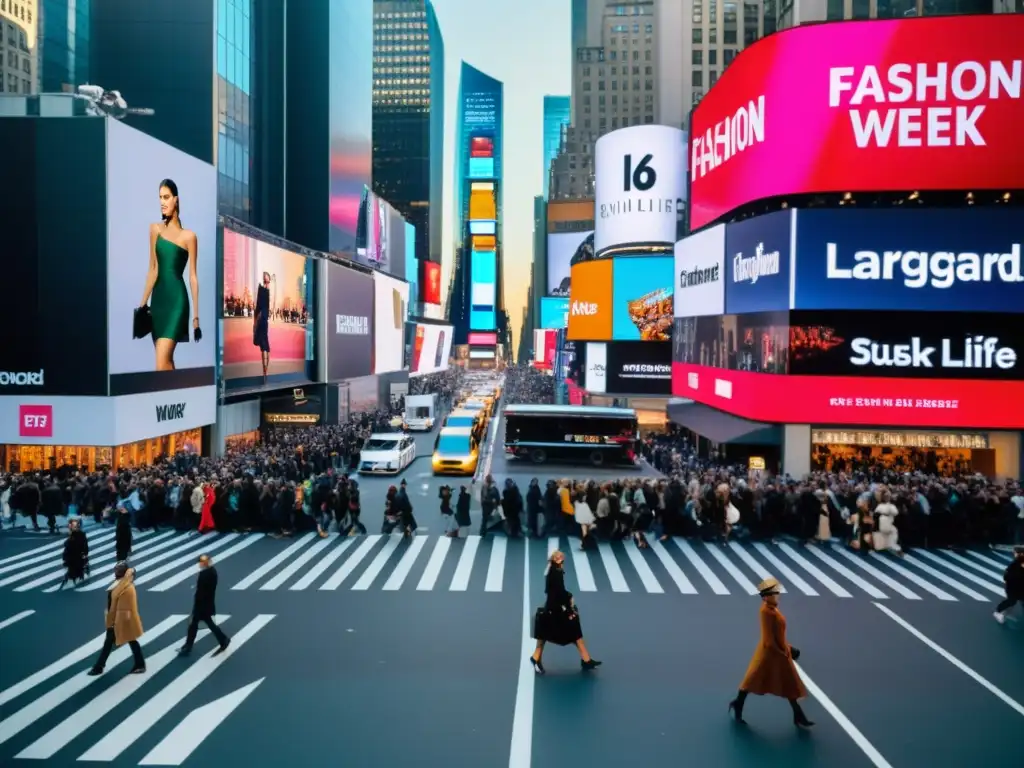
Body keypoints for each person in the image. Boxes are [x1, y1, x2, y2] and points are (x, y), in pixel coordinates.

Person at [728, 577, 814, 728]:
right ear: (767, 596)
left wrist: (787, 648)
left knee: (788, 684)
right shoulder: (766, 612)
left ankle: (798, 716)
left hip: (779, 651)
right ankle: (738, 705)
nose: (778, 595)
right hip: (770, 654)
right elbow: (768, 639)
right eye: (775, 593)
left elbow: (777, 634)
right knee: (752, 680)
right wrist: (783, 652)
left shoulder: (772, 608)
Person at [139, 179, 201, 371]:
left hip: (177, 302)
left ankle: (170, 399)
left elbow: (192, 276)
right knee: (165, 363)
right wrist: (142, 305)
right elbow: (153, 269)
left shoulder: (189, 236)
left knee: (161, 361)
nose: (162, 202)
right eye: (160, 198)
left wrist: (196, 318)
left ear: (176, 200)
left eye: (166, 197)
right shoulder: (154, 230)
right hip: (158, 302)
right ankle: (178, 399)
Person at [529, 550, 601, 674]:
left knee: (545, 635)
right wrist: (569, 599)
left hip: (551, 608)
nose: (563, 562)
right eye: (561, 559)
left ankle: (586, 659)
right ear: (557, 560)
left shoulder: (552, 571)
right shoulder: (557, 573)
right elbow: (559, 592)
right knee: (574, 632)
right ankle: (586, 660)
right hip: (556, 610)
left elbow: (551, 591)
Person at [88, 562, 146, 676]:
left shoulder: (126, 588)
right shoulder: (120, 584)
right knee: (129, 641)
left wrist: (115, 623)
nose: (115, 572)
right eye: (115, 569)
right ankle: (139, 664)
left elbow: (124, 608)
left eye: (118, 570)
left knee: (117, 642)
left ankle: (99, 667)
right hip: (117, 620)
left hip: (122, 620)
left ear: (123, 572)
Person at [180, 554, 231, 655]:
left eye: (202, 562)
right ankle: (222, 640)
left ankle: (189, 646)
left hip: (202, 605)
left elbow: (201, 591)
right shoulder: (212, 571)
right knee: (203, 624)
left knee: (195, 625)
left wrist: (197, 604)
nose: (201, 564)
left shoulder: (205, 574)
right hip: (206, 604)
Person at [993, 546, 1024, 625]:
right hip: (1013, 587)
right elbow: (1007, 577)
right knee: (1011, 601)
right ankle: (998, 612)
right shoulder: (1014, 565)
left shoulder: (1017, 563)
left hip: (1020, 587)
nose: (1015, 555)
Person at [253, 271, 273, 383]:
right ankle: (265, 371)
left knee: (264, 346)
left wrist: (255, 322)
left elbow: (257, 307)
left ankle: (265, 371)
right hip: (263, 320)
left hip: (262, 319)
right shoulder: (265, 290)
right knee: (265, 346)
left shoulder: (263, 290)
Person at [59, 518, 90, 589]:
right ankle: (72, 578)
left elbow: (84, 546)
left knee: (76, 569)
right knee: (72, 569)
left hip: (77, 556)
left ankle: (76, 578)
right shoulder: (71, 535)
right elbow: (67, 546)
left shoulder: (80, 535)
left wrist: (84, 553)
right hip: (71, 556)